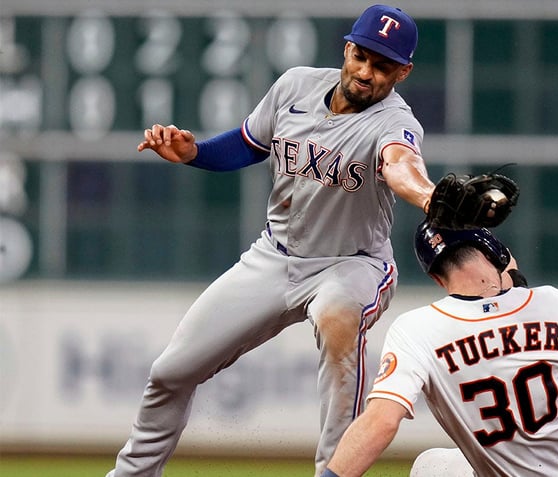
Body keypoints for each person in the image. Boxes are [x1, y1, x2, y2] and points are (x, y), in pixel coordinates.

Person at [106, 5, 435, 477]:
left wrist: (428, 197)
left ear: (402, 71)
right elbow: (247, 142)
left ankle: (334, 472)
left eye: (382, 66)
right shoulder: (296, 85)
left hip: (352, 264)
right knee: (169, 373)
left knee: (337, 317)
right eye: (361, 56)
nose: (366, 72)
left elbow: (402, 165)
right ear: (347, 48)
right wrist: (194, 153)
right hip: (275, 256)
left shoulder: (392, 123)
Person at [321, 221, 558, 477]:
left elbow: (381, 420)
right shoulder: (552, 302)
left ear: (436, 277)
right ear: (497, 254)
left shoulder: (417, 328)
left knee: (429, 467)